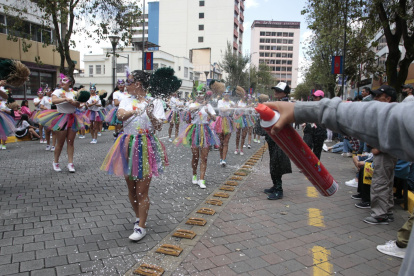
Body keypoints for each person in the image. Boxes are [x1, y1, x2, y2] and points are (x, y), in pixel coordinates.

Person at [101, 70, 168, 241]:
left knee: (142, 191)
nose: (125, 85)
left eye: (129, 82)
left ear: (138, 84)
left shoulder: (155, 101)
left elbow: (159, 126)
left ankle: (141, 227)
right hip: (127, 144)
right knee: (131, 189)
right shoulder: (126, 99)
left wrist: (150, 113)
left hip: (146, 145)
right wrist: (135, 110)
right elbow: (120, 115)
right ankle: (139, 217)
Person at [174, 89, 219, 189]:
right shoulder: (192, 104)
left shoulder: (208, 106)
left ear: (204, 96)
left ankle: (202, 179)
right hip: (194, 130)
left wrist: (210, 114)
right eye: (198, 94)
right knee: (195, 156)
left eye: (201, 94)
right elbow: (191, 111)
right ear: (195, 96)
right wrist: (201, 105)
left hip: (206, 130)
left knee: (204, 157)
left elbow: (215, 118)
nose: (199, 96)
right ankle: (194, 174)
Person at [37, 74, 82, 173]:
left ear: (70, 82)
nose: (62, 82)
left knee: (70, 142)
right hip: (61, 118)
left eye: (64, 80)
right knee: (60, 142)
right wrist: (65, 99)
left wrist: (74, 103)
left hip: (72, 118)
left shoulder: (74, 93)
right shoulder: (57, 91)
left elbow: (79, 105)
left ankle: (70, 163)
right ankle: (56, 162)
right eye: (61, 80)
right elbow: (54, 101)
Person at [258, 82, 292, 200]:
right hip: (273, 138)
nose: (276, 92)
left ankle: (279, 190)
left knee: (277, 163)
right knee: (273, 162)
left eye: (278, 90)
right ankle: (275, 185)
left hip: (281, 139)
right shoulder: (278, 103)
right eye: (275, 89)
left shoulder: (286, 104)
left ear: (285, 92)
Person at [302, 90, 327, 160]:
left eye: (316, 97)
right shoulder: (310, 105)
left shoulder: (325, 107)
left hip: (320, 130)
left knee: (317, 151)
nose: (314, 98)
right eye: (313, 96)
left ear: (320, 98)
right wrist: (305, 122)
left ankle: (315, 167)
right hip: (310, 129)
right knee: (306, 147)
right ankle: (306, 164)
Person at [215, 89, 235, 166]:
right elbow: (222, 110)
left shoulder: (231, 102)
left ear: (229, 94)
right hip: (221, 121)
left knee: (226, 142)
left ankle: (224, 159)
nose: (226, 95)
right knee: (221, 142)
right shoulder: (220, 101)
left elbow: (234, 111)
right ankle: (221, 157)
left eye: (228, 93)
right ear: (223, 94)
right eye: (225, 93)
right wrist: (230, 108)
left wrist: (234, 108)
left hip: (228, 121)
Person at [0, 83, 15, 149]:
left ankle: (3, 143)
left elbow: (6, 97)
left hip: (2, 112)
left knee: (2, 128)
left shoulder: (2, 89)